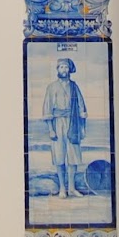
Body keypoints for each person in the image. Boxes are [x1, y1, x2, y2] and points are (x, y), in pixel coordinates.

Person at [42, 56, 89, 197]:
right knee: (59, 156)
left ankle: (72, 188)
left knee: (73, 156)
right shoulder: (51, 87)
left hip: (72, 123)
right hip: (57, 124)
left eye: (66, 67)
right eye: (61, 67)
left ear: (70, 70)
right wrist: (51, 129)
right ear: (57, 69)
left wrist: (82, 128)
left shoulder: (74, 87)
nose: (64, 69)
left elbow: (81, 107)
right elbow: (47, 109)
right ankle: (62, 188)